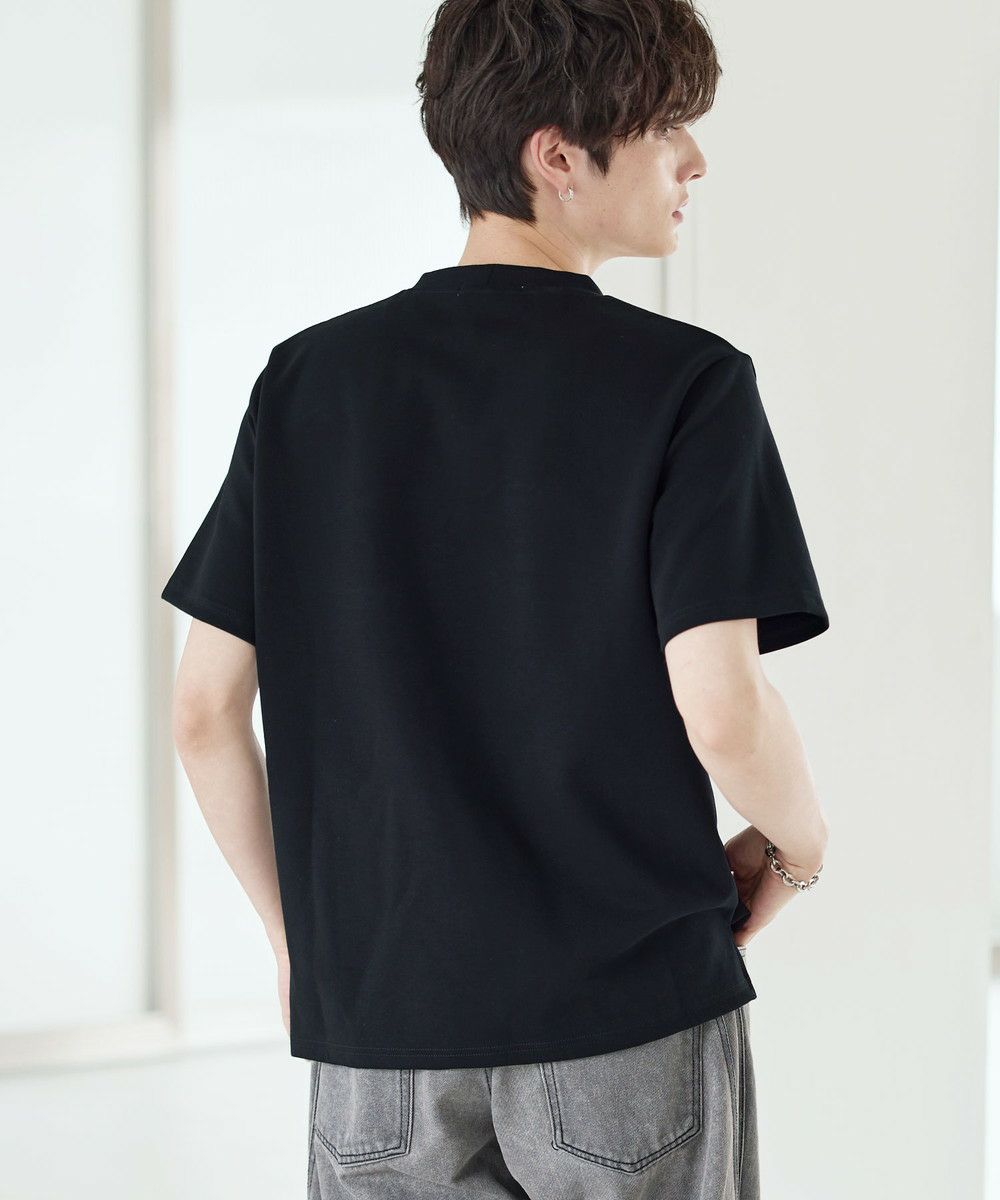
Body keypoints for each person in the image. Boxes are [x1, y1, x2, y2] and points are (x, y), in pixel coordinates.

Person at [161, 1, 830, 1196]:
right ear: (556, 155)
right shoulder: (686, 385)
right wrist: (799, 843)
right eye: (665, 126)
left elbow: (203, 711)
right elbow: (723, 708)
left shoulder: (308, 384)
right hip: (623, 1006)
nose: (692, 159)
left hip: (378, 1032)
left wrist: (297, 941)